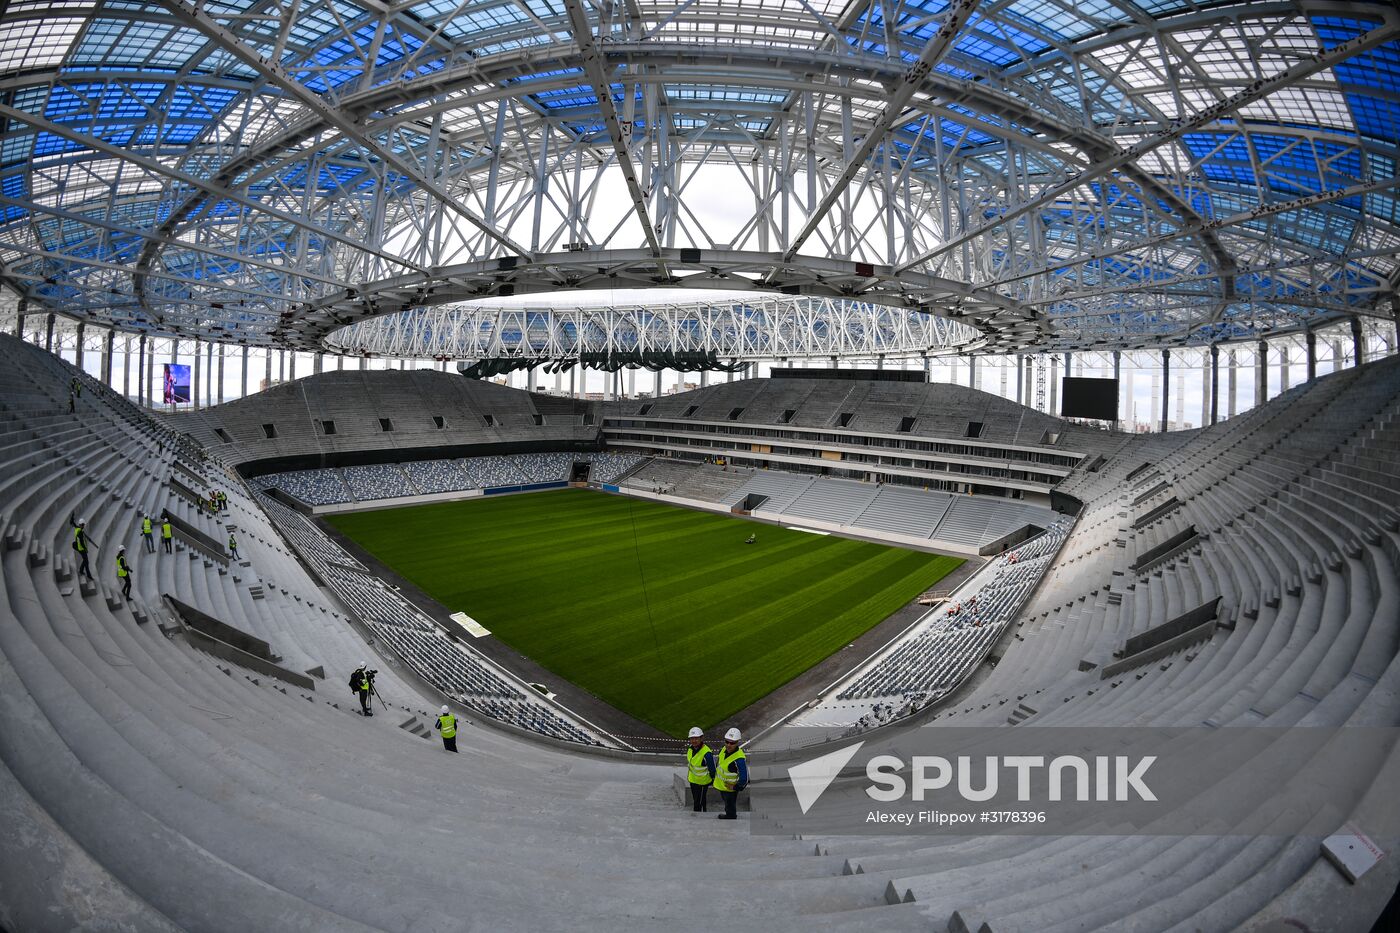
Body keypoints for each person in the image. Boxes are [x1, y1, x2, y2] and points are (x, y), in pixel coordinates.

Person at [714, 727, 748, 820]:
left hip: (731, 790)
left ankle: (730, 816)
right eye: (727, 742)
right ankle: (729, 813)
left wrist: (735, 787)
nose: (728, 745)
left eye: (732, 743)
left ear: (737, 742)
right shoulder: (723, 749)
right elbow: (720, 763)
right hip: (723, 786)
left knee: (730, 805)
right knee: (727, 802)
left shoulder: (739, 759)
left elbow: (745, 779)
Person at [685, 727, 716, 812]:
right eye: (691, 738)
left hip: (702, 783)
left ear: (701, 738)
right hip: (693, 780)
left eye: (696, 738)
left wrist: (713, 780)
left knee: (699, 803)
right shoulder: (690, 749)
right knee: (696, 800)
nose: (694, 741)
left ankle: (700, 816)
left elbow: (712, 769)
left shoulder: (707, 754)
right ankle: (701, 813)